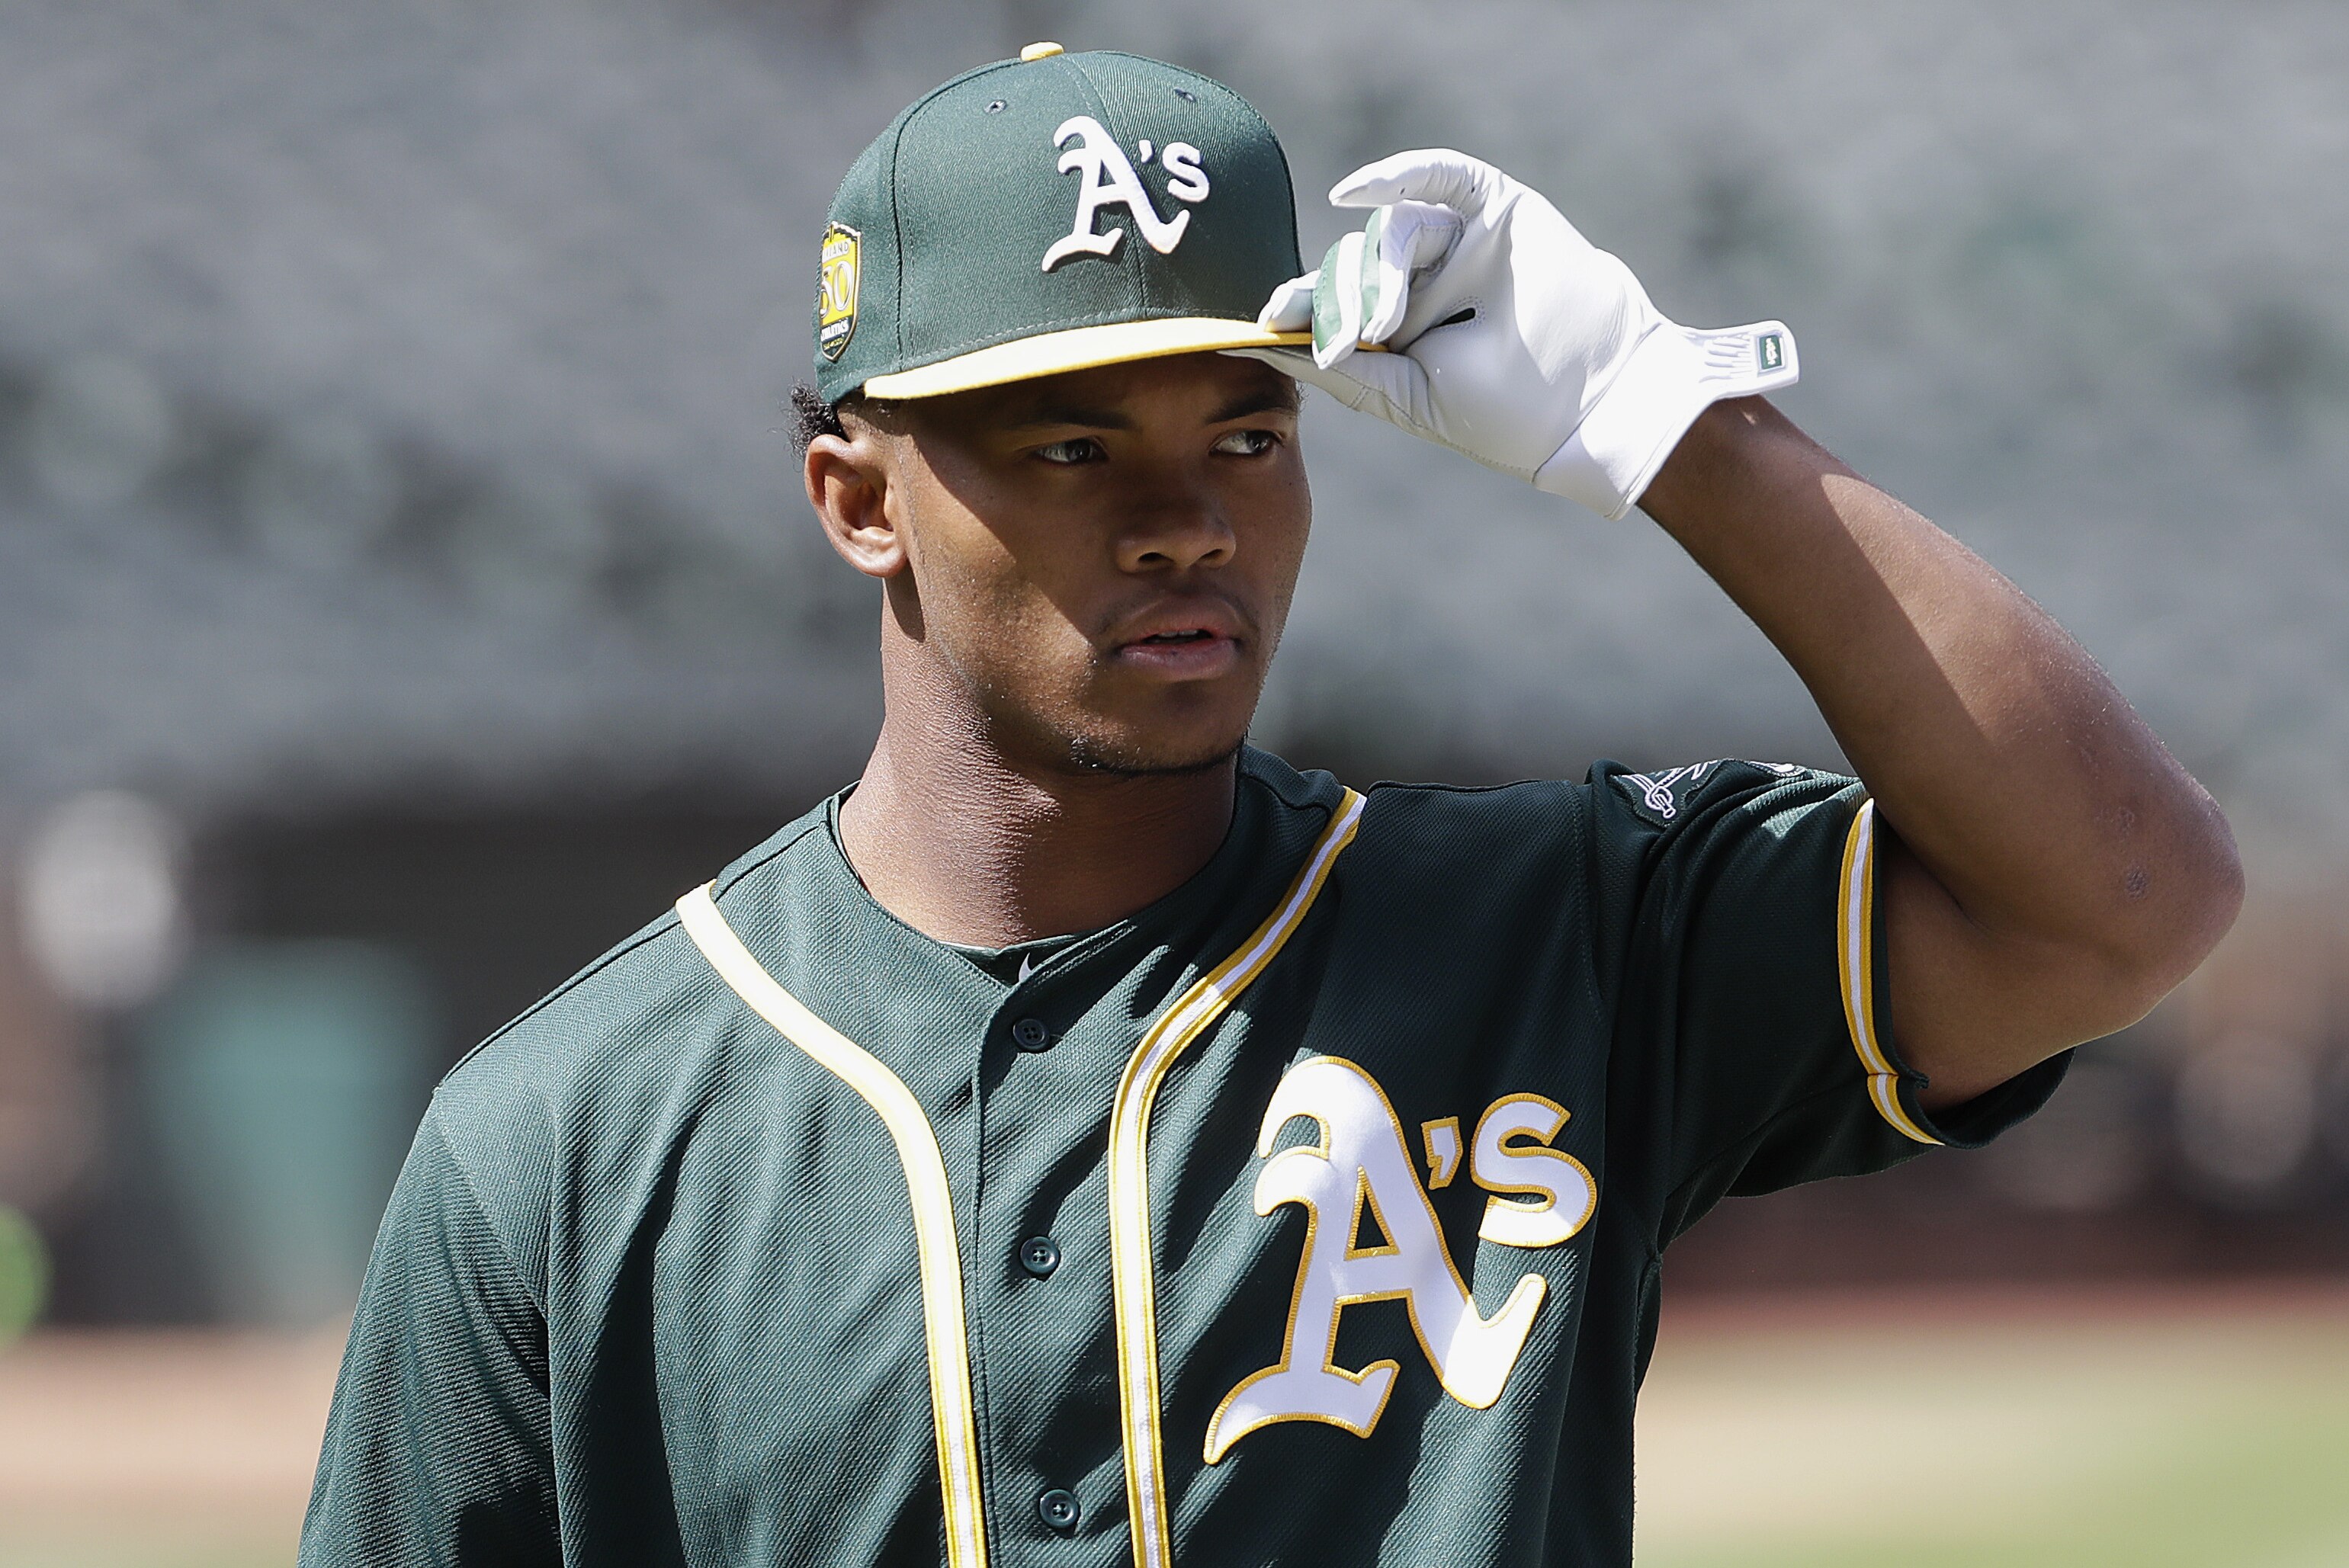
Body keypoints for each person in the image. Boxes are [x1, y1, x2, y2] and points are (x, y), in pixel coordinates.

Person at [300, 45, 2241, 1568]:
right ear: (858, 501)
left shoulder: (1554, 934)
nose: (1188, 520)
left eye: (1245, 429)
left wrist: (1676, 424)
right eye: (1073, 445)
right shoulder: (558, 1141)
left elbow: (2123, 900)